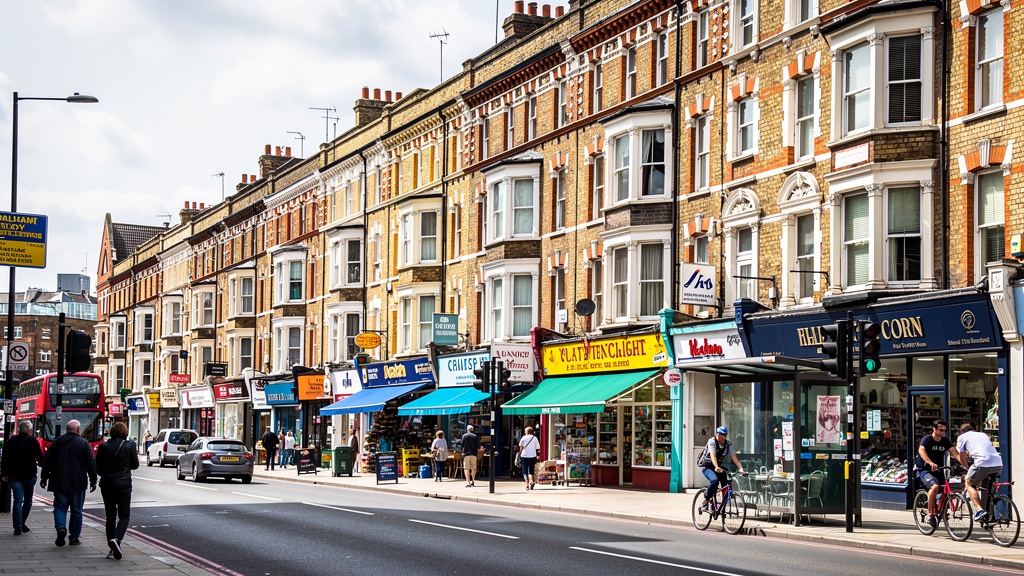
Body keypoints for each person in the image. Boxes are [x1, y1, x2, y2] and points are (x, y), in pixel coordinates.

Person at [39, 419, 97, 547]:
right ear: (77, 430)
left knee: (60, 507)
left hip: (59, 481)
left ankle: (61, 527)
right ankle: (74, 538)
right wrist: (93, 480)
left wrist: (44, 478)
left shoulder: (57, 442)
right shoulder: (83, 443)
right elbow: (91, 463)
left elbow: (47, 462)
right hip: (78, 482)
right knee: (76, 510)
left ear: (67, 429)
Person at [95, 422, 139, 560]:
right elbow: (135, 465)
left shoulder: (104, 446)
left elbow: (99, 468)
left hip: (107, 485)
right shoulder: (129, 445)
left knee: (110, 517)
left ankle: (111, 549)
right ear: (125, 432)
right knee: (124, 516)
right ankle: (117, 540)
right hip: (124, 485)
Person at [1, 420, 43, 535]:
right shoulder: (33, 441)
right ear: (30, 430)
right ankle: (22, 522)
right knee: (28, 501)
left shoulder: (11, 442)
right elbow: (40, 458)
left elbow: (4, 459)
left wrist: (4, 474)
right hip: (29, 475)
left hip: (14, 475)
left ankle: (17, 527)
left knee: (17, 501)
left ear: (19, 429)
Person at [915, 419, 960, 526]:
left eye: (945, 430)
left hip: (939, 470)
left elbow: (955, 454)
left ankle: (941, 510)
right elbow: (921, 450)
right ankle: (929, 514)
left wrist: (966, 465)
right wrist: (930, 463)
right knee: (934, 487)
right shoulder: (927, 439)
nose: (943, 433)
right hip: (925, 470)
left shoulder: (945, 441)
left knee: (944, 490)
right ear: (934, 429)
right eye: (940, 430)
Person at [955, 422, 1003, 521]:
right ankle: (990, 515)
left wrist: (967, 468)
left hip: (982, 463)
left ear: (961, 432)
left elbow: (961, 456)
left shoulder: (962, 437)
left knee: (968, 482)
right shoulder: (983, 434)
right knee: (987, 488)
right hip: (998, 463)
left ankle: (979, 510)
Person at [699, 426, 745, 510]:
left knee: (727, 479)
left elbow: (734, 457)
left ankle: (724, 502)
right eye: (721, 435)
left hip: (718, 467)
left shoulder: (728, 444)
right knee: (714, 481)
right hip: (708, 466)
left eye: (725, 435)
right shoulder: (712, 442)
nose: (723, 438)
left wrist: (741, 469)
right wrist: (716, 467)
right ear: (717, 435)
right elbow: (713, 456)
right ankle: (706, 500)